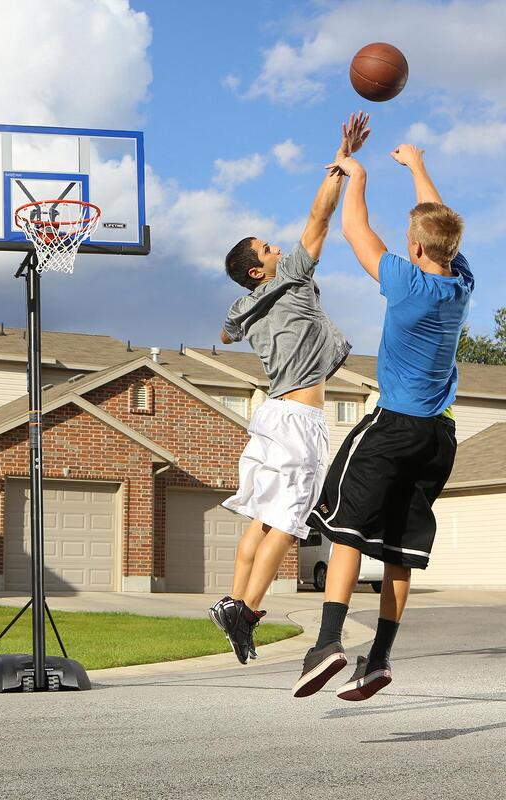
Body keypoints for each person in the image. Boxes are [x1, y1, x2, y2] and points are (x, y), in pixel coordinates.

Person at [292, 143, 473, 701]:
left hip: (393, 425)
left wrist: (359, 173)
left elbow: (353, 228)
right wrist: (418, 167)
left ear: (414, 247)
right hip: (440, 437)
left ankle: (327, 643)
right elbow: (441, 225)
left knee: (344, 528)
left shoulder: (405, 281)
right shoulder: (461, 284)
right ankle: (380, 659)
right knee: (398, 551)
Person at [209, 113, 370, 663]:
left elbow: (225, 330)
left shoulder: (245, 306)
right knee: (287, 519)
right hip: (298, 419)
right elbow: (319, 218)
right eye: (269, 250)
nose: (279, 250)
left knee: (260, 516)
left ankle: (233, 601)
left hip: (269, 417)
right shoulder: (289, 280)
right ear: (259, 270)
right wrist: (340, 162)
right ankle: (246, 610)